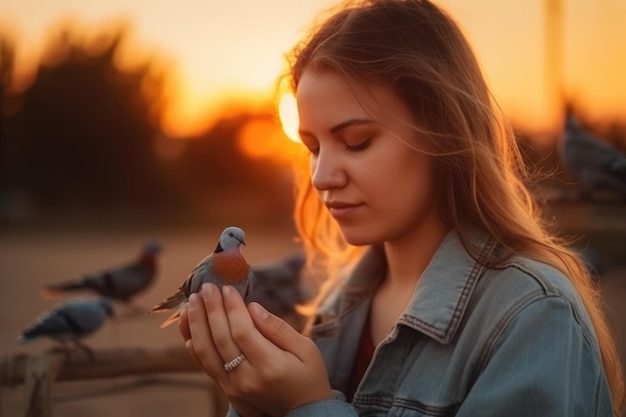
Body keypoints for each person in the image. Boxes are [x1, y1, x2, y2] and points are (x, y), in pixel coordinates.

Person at [179, 0, 625, 416]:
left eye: (357, 142)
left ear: (442, 133)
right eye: (313, 148)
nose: (320, 177)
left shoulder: (532, 317)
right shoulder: (336, 307)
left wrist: (309, 407)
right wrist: (256, 403)